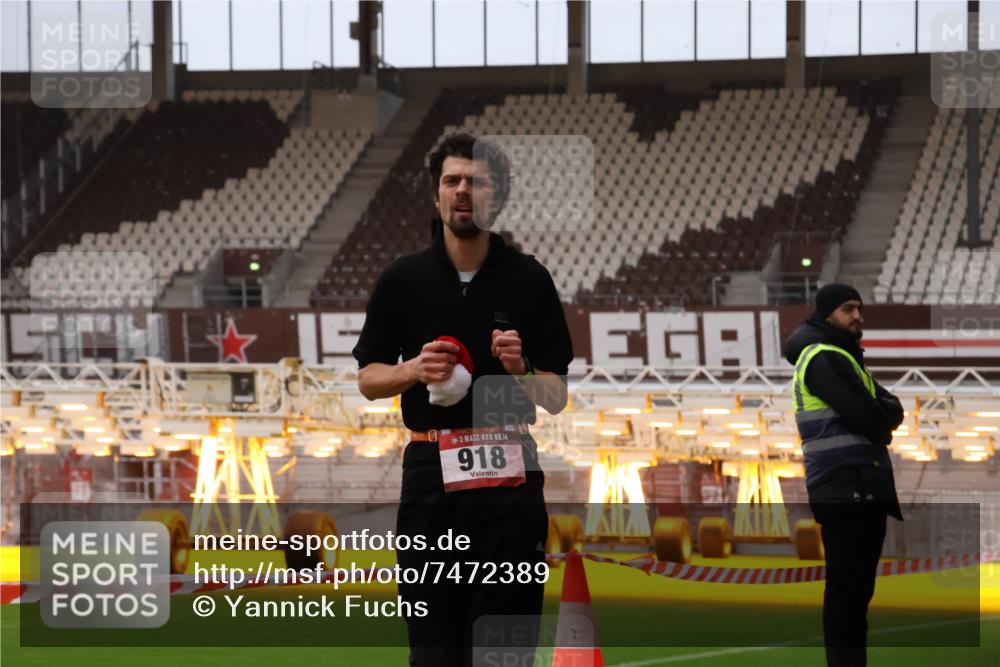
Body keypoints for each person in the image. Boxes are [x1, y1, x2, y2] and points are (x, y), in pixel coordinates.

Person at [353, 132, 574, 666]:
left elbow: (556, 396)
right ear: (436, 195)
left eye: (477, 182)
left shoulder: (530, 279)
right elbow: (368, 378)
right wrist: (412, 368)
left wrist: (522, 371)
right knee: (434, 652)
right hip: (430, 475)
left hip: (510, 480)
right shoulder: (402, 279)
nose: (463, 191)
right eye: (452, 180)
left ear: (497, 197)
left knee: (504, 652)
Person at [783, 283, 905, 667]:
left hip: (855, 486)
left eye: (859, 308)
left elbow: (893, 409)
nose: (857, 316)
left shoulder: (842, 357)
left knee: (853, 596)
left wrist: (883, 415)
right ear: (827, 313)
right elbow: (876, 422)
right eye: (848, 309)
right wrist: (882, 419)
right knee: (848, 596)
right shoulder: (824, 358)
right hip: (848, 486)